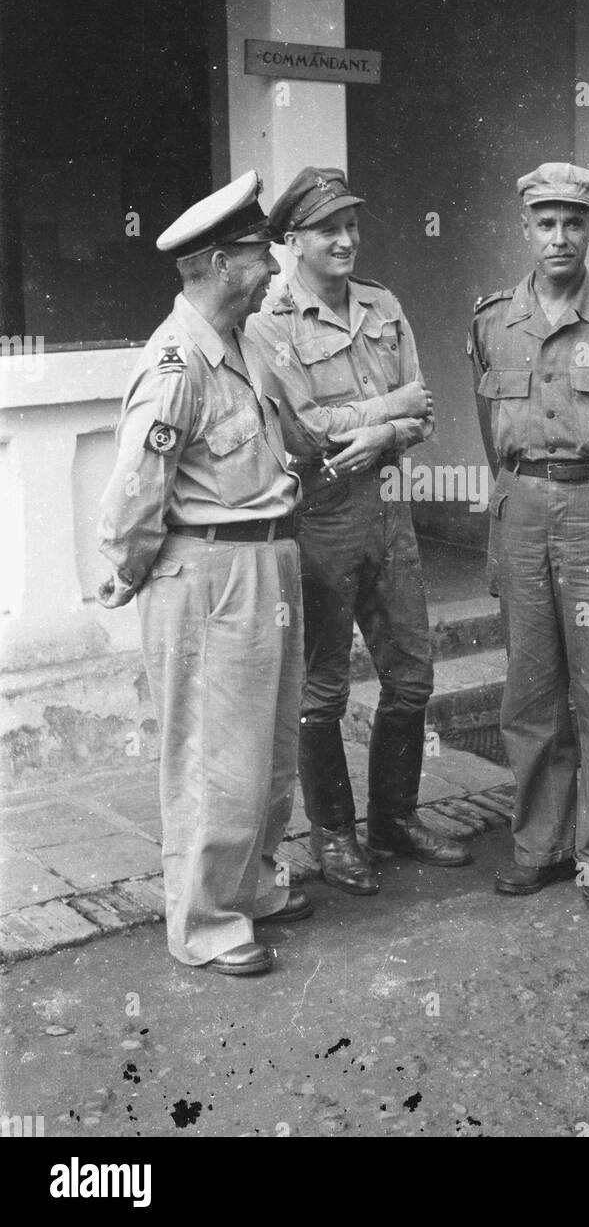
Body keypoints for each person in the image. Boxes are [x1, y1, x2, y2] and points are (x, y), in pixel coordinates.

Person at [97, 171, 314, 978]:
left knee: (267, 746)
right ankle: (206, 921)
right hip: (208, 570)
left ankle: (252, 886)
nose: (275, 272)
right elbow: (131, 501)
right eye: (262, 256)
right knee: (211, 755)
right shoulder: (175, 365)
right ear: (224, 265)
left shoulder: (244, 344)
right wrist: (129, 572)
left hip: (267, 558)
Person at [246, 167, 471, 896]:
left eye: (350, 225)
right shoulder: (268, 323)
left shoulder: (383, 305)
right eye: (326, 230)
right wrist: (392, 411)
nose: (345, 240)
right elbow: (307, 430)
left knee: (411, 677)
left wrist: (386, 431)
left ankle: (397, 821)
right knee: (324, 690)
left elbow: (425, 410)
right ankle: (336, 839)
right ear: (292, 242)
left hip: (390, 512)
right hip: (322, 519)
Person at [468, 162, 589, 903]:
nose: (559, 237)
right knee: (530, 689)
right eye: (545, 223)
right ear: (525, 229)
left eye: (574, 222)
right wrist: (526, 490)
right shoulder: (492, 321)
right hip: (522, 512)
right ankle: (538, 842)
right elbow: (495, 438)